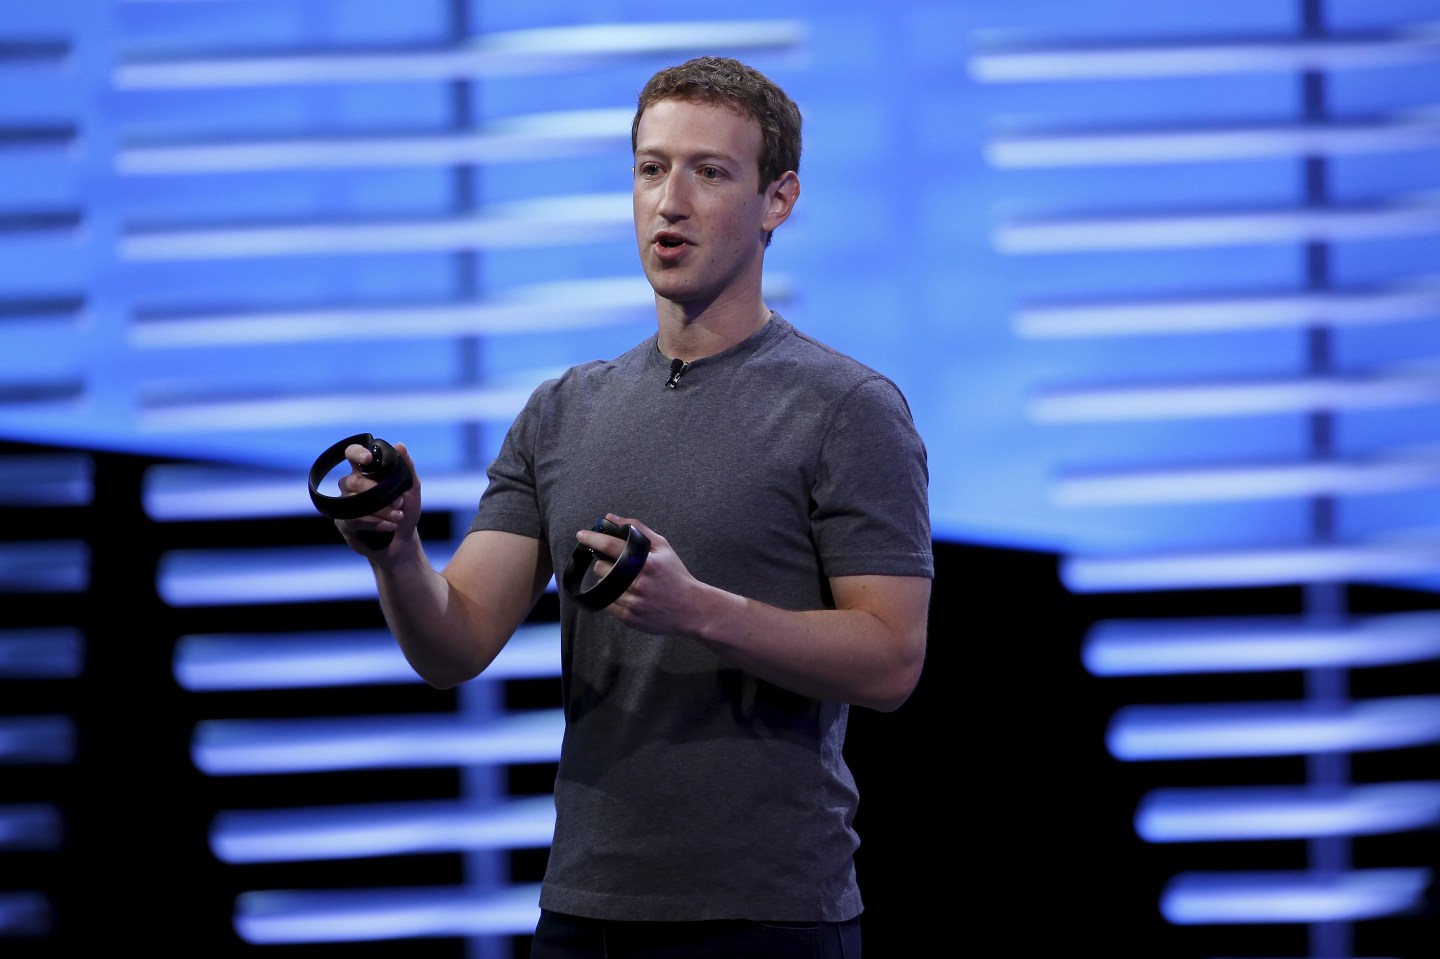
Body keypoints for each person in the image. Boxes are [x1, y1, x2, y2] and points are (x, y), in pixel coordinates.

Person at [332, 55, 933, 958]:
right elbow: (453, 646)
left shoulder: (845, 408)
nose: (671, 200)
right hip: (586, 912)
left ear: (779, 201)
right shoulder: (563, 409)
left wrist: (701, 611)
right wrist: (396, 550)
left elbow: (890, 661)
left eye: (710, 171)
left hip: (770, 917)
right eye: (651, 168)